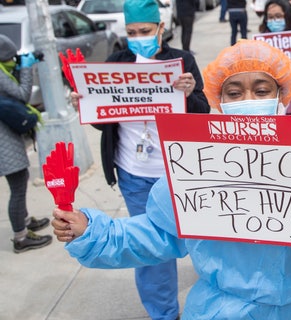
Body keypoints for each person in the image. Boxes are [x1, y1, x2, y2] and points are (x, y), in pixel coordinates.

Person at [52, 39, 291, 319]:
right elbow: (157, 235)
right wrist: (92, 232)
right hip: (222, 311)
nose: (248, 102)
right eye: (234, 93)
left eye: (261, 91)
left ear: (281, 97)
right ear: (219, 100)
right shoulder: (197, 166)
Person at [69, 0, 210, 319]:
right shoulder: (116, 62)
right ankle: (164, 313)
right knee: (151, 252)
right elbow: (104, 120)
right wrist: (86, 104)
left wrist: (189, 94)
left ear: (161, 29)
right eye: (132, 32)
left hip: (180, 173)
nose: (138, 37)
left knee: (203, 240)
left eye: (145, 31)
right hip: (135, 175)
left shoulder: (182, 61)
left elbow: (203, 114)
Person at [0, 34, 52, 254]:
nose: (14, 60)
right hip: (3, 141)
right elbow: (22, 95)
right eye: (11, 57)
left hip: (6, 136)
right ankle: (21, 237)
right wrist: (26, 68)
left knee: (20, 181)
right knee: (19, 185)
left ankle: (26, 220)